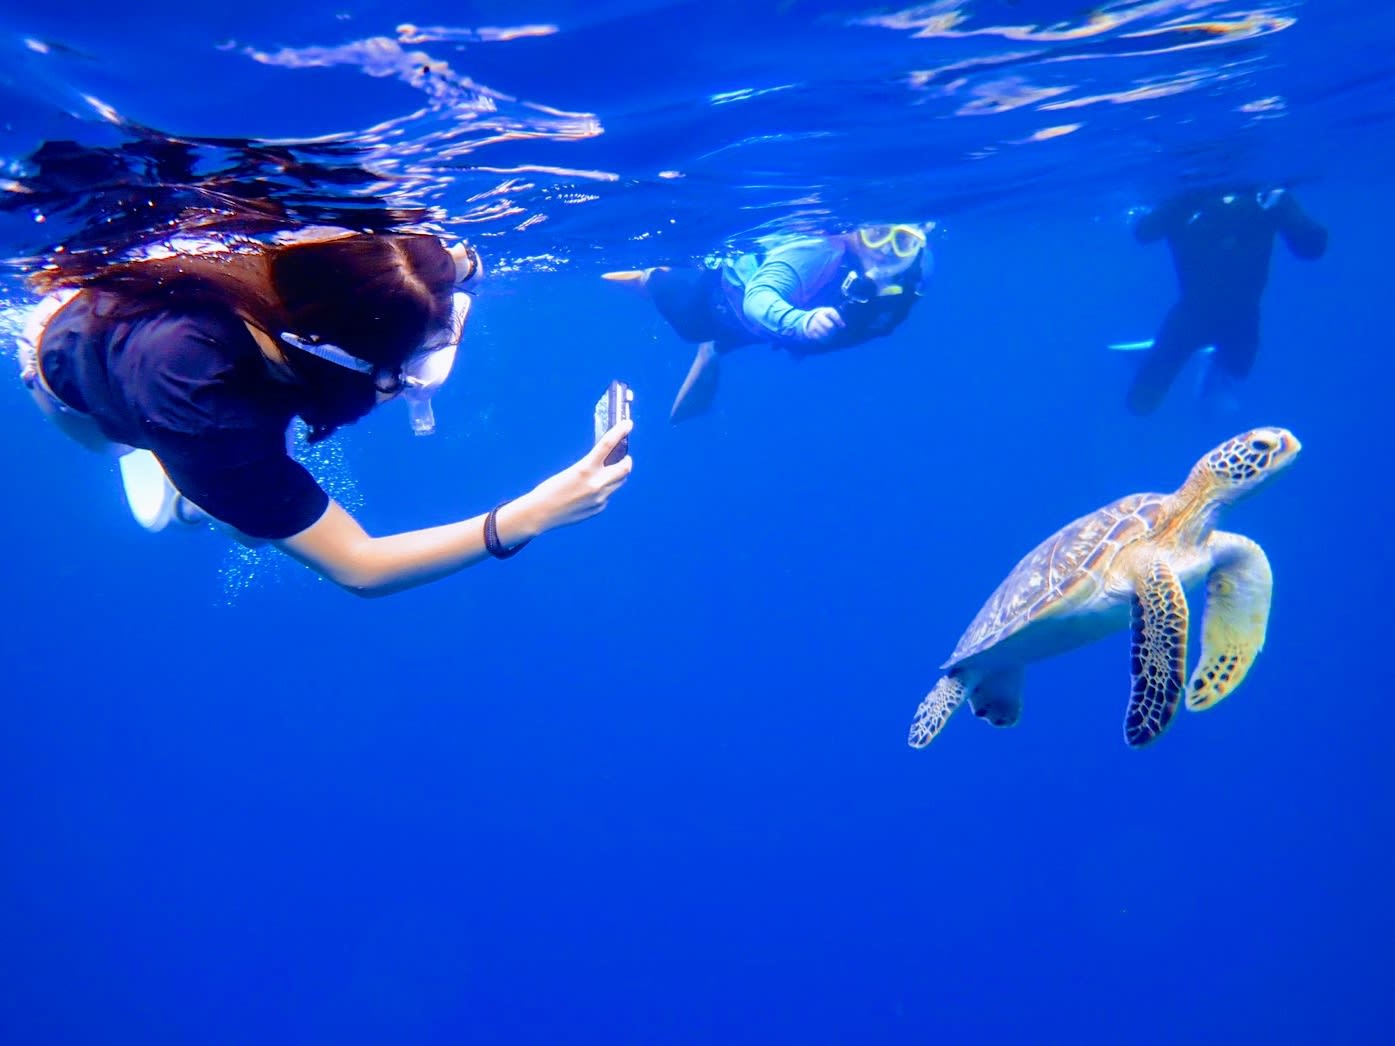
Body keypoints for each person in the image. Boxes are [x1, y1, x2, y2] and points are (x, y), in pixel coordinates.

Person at [16, 231, 632, 597]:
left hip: (201, 336)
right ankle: (185, 497)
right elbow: (359, 566)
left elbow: (417, 264)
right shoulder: (202, 406)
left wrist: (454, 263)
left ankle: (209, 490)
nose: (408, 390)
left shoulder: (341, 265)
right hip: (75, 375)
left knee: (243, 491)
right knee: (226, 517)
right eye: (404, 375)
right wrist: (529, 515)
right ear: (339, 356)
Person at [604, 223, 933, 422]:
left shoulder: (919, 267)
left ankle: (716, 349)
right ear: (856, 233)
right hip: (726, 302)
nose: (887, 251)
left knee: (776, 336)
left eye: (903, 242)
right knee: (692, 326)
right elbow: (759, 297)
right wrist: (799, 321)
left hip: (785, 328)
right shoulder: (816, 252)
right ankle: (652, 278)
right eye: (876, 235)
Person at [1127, 184, 1327, 416]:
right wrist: (1183, 202)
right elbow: (1144, 232)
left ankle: (1209, 358)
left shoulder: (1263, 199)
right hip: (1194, 315)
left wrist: (1285, 207)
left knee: (1239, 369)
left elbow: (1313, 248)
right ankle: (1185, 354)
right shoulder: (1190, 199)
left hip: (1241, 317)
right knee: (1141, 402)